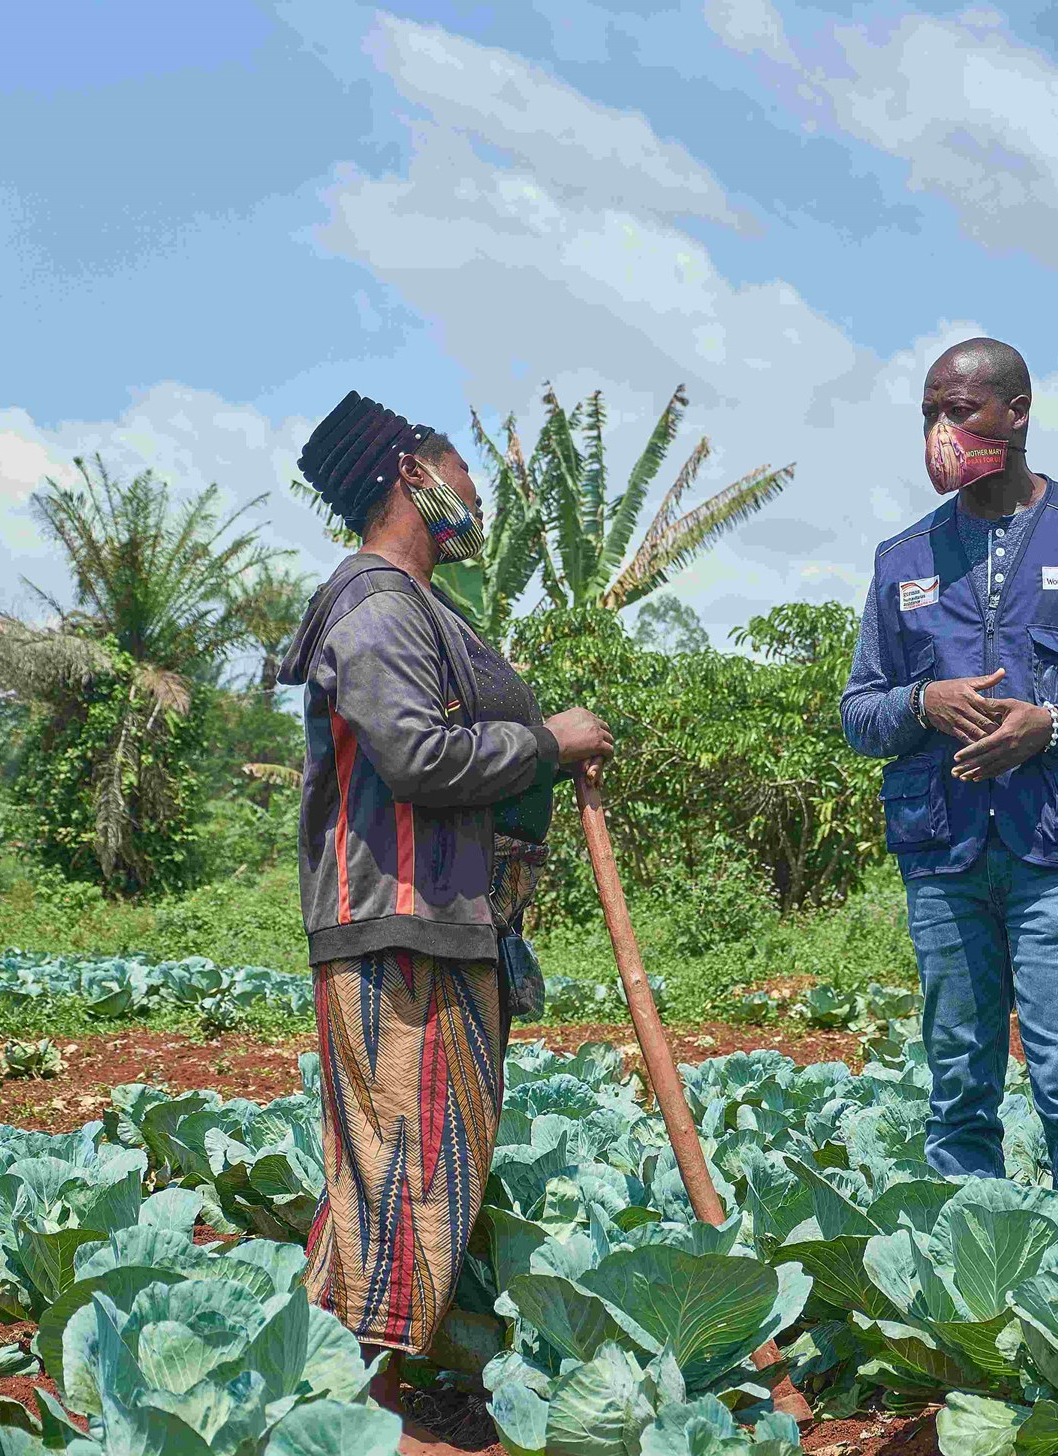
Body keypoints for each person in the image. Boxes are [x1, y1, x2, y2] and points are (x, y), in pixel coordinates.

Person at [278, 390, 613, 1447]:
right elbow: (416, 759)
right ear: (408, 478)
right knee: (408, 1160)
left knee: (406, 1153)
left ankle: (330, 1391)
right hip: (398, 924)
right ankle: (369, 1412)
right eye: (462, 470)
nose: (474, 493)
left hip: (448, 923)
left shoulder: (421, 608)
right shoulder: (374, 607)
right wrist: (549, 742)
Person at [839, 337, 1058, 1226]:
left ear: (1017, 413)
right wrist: (924, 703)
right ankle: (975, 1279)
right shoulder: (903, 558)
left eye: (958, 411)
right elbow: (858, 714)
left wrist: (1056, 726)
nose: (939, 433)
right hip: (944, 861)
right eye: (928, 413)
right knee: (958, 1081)